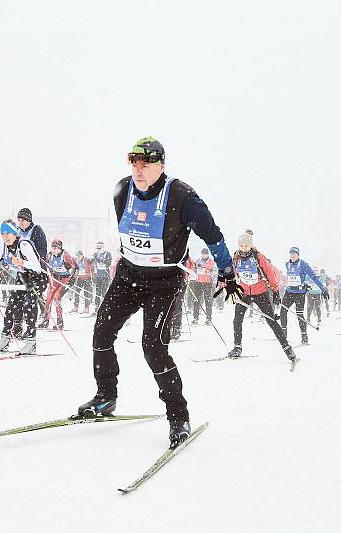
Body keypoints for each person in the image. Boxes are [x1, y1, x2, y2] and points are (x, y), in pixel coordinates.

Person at [78, 137, 237, 449]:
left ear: (161, 165)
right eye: (133, 162)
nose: (138, 169)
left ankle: (178, 414)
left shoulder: (183, 196)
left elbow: (213, 235)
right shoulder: (122, 190)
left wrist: (227, 272)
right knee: (101, 332)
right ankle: (105, 397)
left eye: (146, 163)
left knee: (153, 347)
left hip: (164, 284)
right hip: (128, 277)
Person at [0, 220, 42, 354]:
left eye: (8, 233)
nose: (5, 236)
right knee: (11, 306)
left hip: (37, 277)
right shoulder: (2, 246)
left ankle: (31, 342)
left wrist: (22, 262)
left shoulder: (23, 244)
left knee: (29, 304)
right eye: (2, 233)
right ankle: (5, 339)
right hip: (22, 276)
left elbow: (37, 266)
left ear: (15, 233)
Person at [227, 232, 296, 362]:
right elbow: (232, 273)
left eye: (246, 245)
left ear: (251, 245)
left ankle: (287, 348)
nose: (243, 248)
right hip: (244, 293)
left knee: (271, 321)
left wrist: (276, 291)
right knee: (237, 320)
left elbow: (270, 274)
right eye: (241, 245)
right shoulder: (236, 257)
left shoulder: (259, 257)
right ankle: (237, 347)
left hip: (260, 293)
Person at [281, 247, 328, 345]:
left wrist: (323, 289)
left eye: (295, 253)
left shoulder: (303, 264)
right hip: (289, 292)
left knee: (299, 314)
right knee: (283, 311)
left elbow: (313, 277)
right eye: (291, 253)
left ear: (298, 254)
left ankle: (304, 336)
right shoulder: (287, 264)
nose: (293, 255)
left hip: (299, 293)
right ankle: (283, 334)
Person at [16, 208, 48, 319]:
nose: (20, 223)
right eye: (19, 220)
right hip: (22, 270)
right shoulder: (16, 231)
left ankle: (41, 312)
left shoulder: (36, 230)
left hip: (36, 269)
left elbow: (43, 249)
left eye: (23, 220)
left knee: (32, 295)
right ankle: (19, 321)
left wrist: (34, 260)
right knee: (21, 296)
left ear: (29, 220)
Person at [39, 239, 76, 330]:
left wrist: (72, 279)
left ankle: (60, 322)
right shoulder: (50, 255)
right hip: (55, 278)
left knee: (56, 298)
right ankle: (46, 320)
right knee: (48, 299)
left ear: (60, 248)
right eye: (53, 247)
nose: (54, 250)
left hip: (64, 278)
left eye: (56, 248)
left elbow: (75, 267)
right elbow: (46, 266)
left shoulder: (65, 255)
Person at [187, 247, 215, 325]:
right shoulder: (198, 261)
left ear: (208, 254)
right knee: (196, 300)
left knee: (208, 301)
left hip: (207, 282)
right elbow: (194, 269)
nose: (204, 255)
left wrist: (206, 270)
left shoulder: (211, 261)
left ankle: (208, 319)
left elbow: (214, 271)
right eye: (203, 254)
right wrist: (195, 270)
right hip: (198, 282)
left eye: (205, 254)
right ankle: (195, 318)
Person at [91, 241, 113, 314]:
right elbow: (91, 263)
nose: (98, 248)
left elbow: (108, 264)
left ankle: (105, 309)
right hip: (98, 276)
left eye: (100, 247)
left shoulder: (107, 253)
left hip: (105, 276)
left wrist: (100, 260)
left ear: (103, 247)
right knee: (97, 293)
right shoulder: (96, 254)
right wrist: (91, 260)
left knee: (104, 293)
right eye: (97, 247)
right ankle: (96, 310)